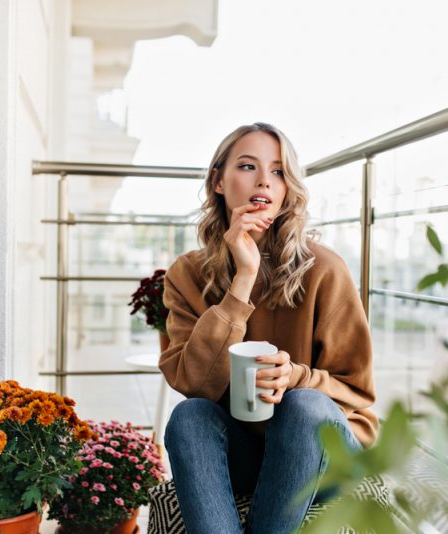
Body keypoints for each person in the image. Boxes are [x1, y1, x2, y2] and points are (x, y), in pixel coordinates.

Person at [159, 122, 377, 534]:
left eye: (278, 171)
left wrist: (294, 377)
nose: (263, 180)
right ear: (218, 182)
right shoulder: (186, 274)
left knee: (304, 406)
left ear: (287, 187)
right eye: (247, 166)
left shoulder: (324, 269)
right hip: (245, 454)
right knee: (189, 417)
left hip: (323, 454)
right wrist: (242, 281)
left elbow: (358, 391)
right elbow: (194, 383)